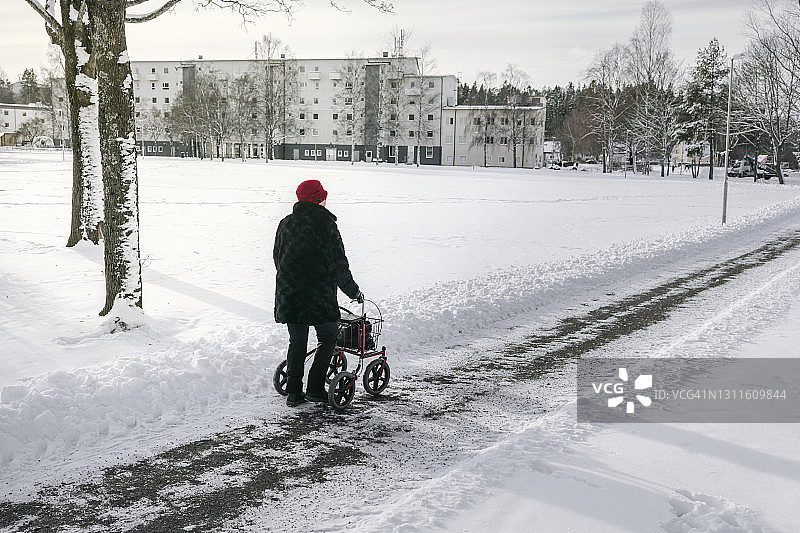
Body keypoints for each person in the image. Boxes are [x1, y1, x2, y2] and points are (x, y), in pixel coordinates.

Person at [273, 179, 363, 407]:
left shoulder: (285, 223)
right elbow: (338, 264)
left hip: (290, 295)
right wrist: (353, 291)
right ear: (318, 198)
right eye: (323, 196)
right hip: (318, 297)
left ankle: (293, 393)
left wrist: (290, 280)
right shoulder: (326, 225)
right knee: (328, 338)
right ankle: (314, 388)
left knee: (297, 342)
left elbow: (277, 258)